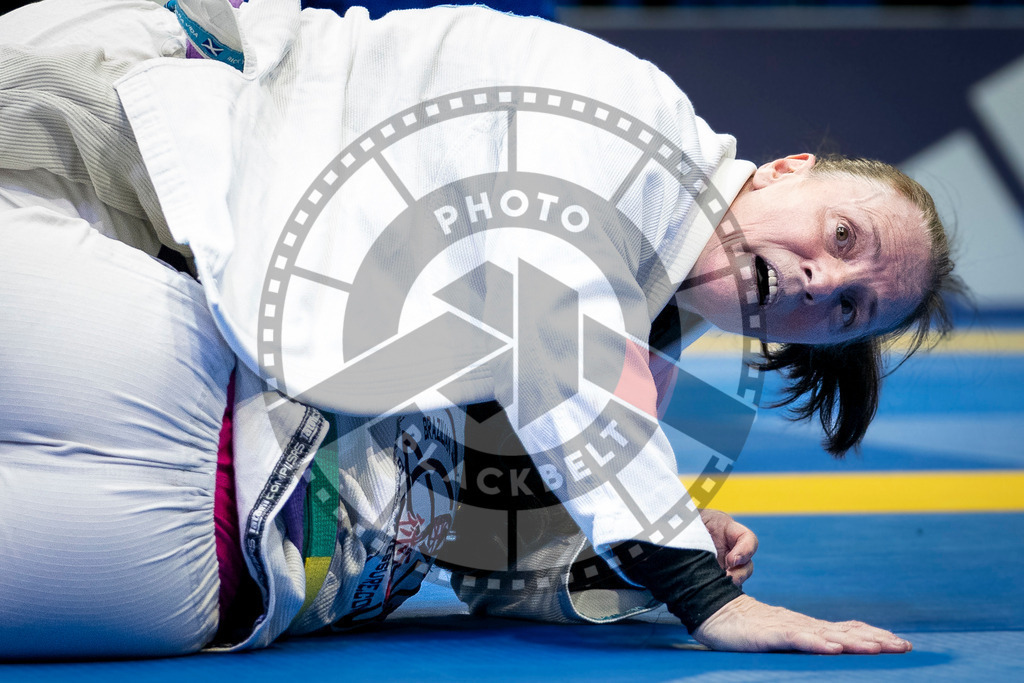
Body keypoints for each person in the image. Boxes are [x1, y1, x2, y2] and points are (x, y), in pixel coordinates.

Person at [0, 0, 961, 660]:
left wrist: (615, 560)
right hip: (135, 108)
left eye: (846, 307)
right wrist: (700, 587)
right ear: (790, 167)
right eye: (843, 236)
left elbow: (501, 551)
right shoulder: (630, 121)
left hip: (192, 429)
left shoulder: (640, 339)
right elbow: (547, 310)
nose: (818, 276)